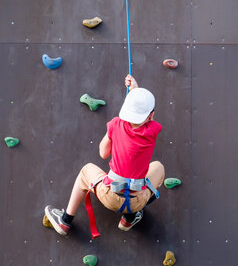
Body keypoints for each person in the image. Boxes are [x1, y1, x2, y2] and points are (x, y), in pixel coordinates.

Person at [45, 75, 164, 236]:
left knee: (86, 171)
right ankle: (129, 218)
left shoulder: (115, 124)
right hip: (137, 200)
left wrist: (114, 136)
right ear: (151, 116)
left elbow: (103, 153)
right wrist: (135, 91)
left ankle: (65, 220)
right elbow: (145, 117)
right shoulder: (153, 130)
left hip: (109, 195)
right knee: (158, 168)